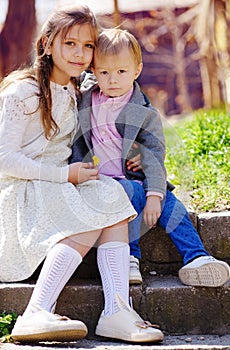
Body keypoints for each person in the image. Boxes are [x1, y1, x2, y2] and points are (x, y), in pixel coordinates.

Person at [0, 6, 164, 344]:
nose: (80, 53)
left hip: (58, 186)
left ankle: (117, 311)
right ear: (46, 43)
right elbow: (4, 160)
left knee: (111, 194)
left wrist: (138, 157)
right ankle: (36, 312)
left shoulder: (80, 92)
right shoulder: (22, 91)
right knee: (90, 209)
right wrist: (66, 176)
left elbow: (123, 101)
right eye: (70, 43)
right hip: (19, 193)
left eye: (88, 45)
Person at [71, 28, 230, 287]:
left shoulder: (145, 113)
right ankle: (130, 257)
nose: (112, 79)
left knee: (170, 205)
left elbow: (155, 155)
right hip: (102, 183)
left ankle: (198, 257)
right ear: (93, 71)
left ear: (137, 70)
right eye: (104, 72)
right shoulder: (86, 96)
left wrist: (155, 195)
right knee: (124, 193)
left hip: (137, 178)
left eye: (121, 71)